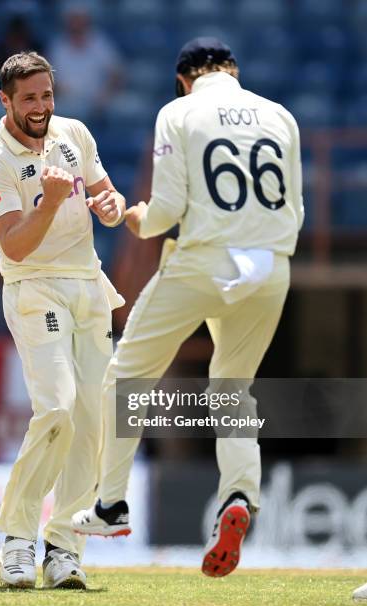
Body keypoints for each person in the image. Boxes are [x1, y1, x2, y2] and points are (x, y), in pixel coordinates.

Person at [72, 36, 304, 578]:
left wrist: (136, 217)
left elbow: (166, 212)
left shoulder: (178, 111)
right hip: (272, 264)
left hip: (205, 260)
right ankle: (238, 498)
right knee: (231, 388)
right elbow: (294, 206)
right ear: (234, 70)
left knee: (125, 375)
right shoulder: (282, 116)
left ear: (184, 78)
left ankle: (110, 505)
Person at [0, 51, 125, 589]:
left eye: (46, 95)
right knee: (57, 407)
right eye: (29, 98)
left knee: (91, 422)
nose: (40, 107)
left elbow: (107, 191)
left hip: (87, 284)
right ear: (6, 100)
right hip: (35, 287)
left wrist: (110, 205)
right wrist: (50, 202)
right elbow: (14, 247)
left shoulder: (74, 134)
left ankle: (64, 548)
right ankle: (17, 539)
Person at [47, 4, 123, 122]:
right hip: (64, 101)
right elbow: (48, 77)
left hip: (96, 101)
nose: (77, 24)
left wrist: (105, 94)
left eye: (80, 19)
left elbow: (116, 73)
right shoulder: (58, 45)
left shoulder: (100, 42)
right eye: (74, 19)